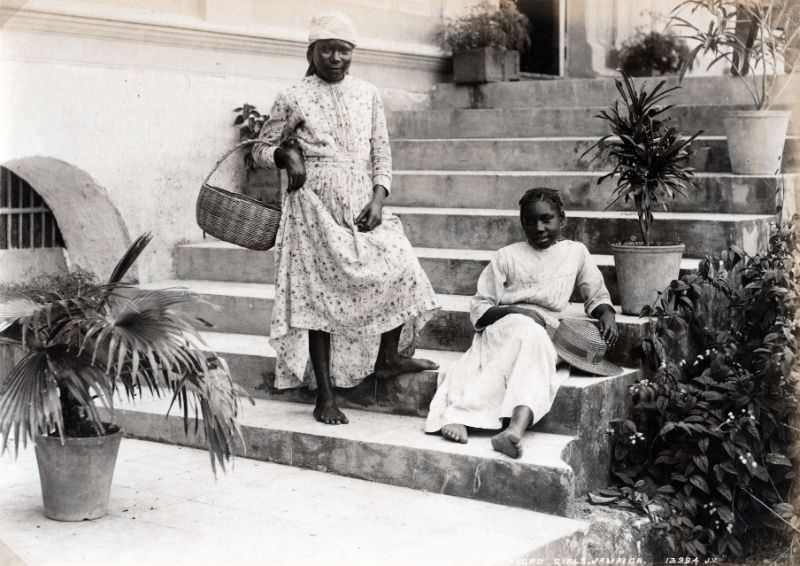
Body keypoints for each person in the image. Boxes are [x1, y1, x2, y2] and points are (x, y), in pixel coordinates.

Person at [252, 12, 439, 425]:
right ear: (312, 52)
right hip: (313, 208)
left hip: (361, 205)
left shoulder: (367, 93)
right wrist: (284, 155)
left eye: (344, 50)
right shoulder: (293, 95)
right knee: (319, 295)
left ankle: (388, 357)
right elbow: (260, 150)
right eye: (327, 50)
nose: (336, 57)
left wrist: (379, 197)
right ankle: (325, 394)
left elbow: (381, 152)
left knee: (401, 265)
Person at [424, 187, 619, 458]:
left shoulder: (576, 253)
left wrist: (607, 314)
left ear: (562, 219)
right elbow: (481, 308)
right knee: (529, 333)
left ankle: (499, 426)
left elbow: (595, 294)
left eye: (546, 219)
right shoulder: (507, 256)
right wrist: (519, 312)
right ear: (522, 222)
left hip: (549, 332)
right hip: (506, 325)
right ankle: (494, 421)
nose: (539, 227)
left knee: (536, 347)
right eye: (530, 221)